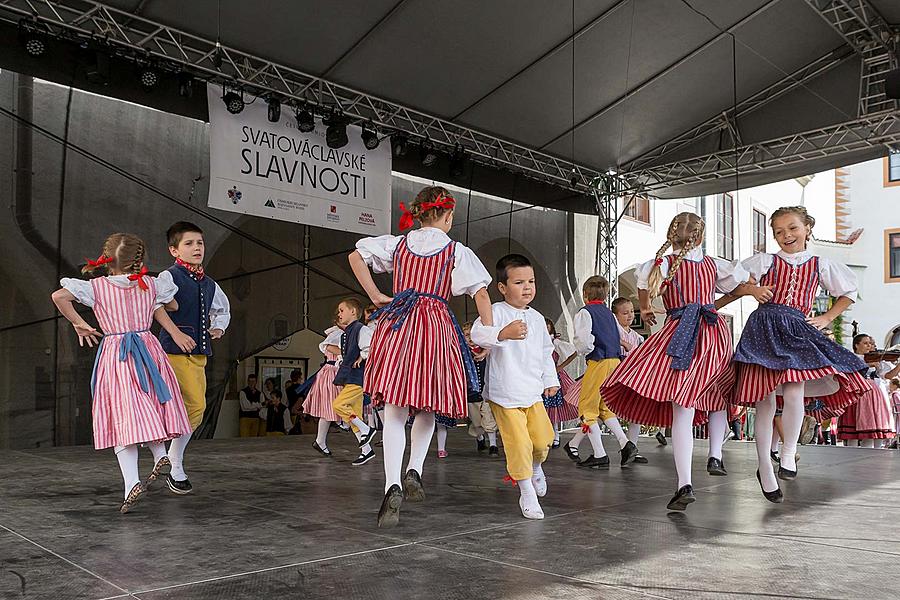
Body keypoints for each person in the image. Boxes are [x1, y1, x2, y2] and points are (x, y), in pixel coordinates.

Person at [349, 185, 493, 528]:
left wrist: (376, 294)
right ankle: (415, 467)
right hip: (435, 327)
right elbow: (482, 294)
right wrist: (486, 336)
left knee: (395, 409)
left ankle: (392, 484)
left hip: (398, 325)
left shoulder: (398, 244)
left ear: (419, 214)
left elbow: (355, 255)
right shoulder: (456, 250)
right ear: (448, 216)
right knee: (428, 404)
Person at [602, 212, 750, 511]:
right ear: (701, 237)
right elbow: (740, 284)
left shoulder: (661, 264)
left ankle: (684, 483)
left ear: (673, 235)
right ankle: (715, 454)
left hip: (679, 332)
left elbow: (643, 285)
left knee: (682, 404)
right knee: (718, 394)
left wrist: (644, 309)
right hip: (712, 331)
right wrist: (714, 304)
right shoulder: (712, 264)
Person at [725, 206, 868, 502]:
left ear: (807, 228)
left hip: (797, 330)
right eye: (778, 231)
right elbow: (731, 281)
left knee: (793, 393)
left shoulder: (820, 264)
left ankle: (788, 450)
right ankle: (765, 465)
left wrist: (827, 317)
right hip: (763, 329)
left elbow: (848, 293)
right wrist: (753, 290)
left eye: (792, 228)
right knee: (764, 403)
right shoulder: (765, 261)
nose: (785, 235)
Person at [52, 233, 193, 512]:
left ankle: (131, 483)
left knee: (123, 415)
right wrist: (153, 299)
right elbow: (173, 304)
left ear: (107, 260)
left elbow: (59, 296)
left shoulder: (97, 287)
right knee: (151, 403)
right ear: (138, 260)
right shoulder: (151, 285)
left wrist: (80, 323)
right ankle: (160, 454)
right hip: (148, 349)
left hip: (118, 354)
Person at [472, 254, 558, 520]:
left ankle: (535, 467)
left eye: (531, 281)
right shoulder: (496, 312)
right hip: (504, 392)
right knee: (518, 443)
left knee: (543, 440)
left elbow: (546, 352)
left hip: (532, 392)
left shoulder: (538, 318)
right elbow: (476, 333)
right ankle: (526, 491)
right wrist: (502, 333)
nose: (528, 287)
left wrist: (550, 380)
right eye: (519, 282)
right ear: (502, 287)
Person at [156, 221, 231, 495]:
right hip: (173, 353)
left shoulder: (209, 283)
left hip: (198, 354)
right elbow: (155, 305)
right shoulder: (168, 277)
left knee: (194, 412)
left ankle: (169, 456)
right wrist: (175, 333)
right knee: (195, 406)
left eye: (199, 243)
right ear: (174, 250)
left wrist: (218, 327)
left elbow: (221, 309)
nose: (197, 247)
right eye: (189, 243)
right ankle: (172, 460)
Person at [566, 276, 638, 470]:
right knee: (604, 408)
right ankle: (625, 443)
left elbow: (583, 341)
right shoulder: (609, 314)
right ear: (605, 294)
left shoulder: (585, 312)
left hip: (599, 361)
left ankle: (600, 454)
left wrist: (586, 351)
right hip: (615, 361)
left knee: (587, 408)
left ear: (585, 294)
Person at [330, 297, 377, 466]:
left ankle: (367, 429)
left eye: (342, 310)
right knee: (354, 416)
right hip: (351, 377)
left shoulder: (360, 329)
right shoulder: (349, 331)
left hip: (358, 378)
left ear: (353, 312)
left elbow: (370, 347)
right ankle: (366, 451)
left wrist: (362, 356)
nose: (339, 314)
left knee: (338, 405)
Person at [837, 334, 898, 447]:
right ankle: (852, 454)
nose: (869, 346)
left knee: (873, 427)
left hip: (873, 393)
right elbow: (847, 370)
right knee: (853, 428)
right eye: (865, 343)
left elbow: (888, 375)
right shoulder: (851, 357)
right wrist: (867, 364)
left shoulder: (875, 358)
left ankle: (874, 454)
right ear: (856, 345)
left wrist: (899, 365)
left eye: (870, 343)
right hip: (856, 391)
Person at [299, 322, 344, 456]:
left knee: (328, 407)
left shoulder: (339, 333)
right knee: (334, 403)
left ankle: (321, 440)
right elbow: (328, 347)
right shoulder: (337, 333)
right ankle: (343, 422)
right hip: (332, 372)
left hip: (333, 372)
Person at [543, 318, 579, 448]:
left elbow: (574, 353)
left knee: (554, 407)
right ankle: (545, 435)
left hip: (554, 377)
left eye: (547, 327)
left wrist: (560, 367)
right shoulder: (535, 342)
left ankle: (556, 434)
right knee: (542, 408)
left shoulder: (555, 342)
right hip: (539, 377)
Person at [463, 321, 497, 455]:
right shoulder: (463, 353)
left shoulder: (488, 350)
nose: (470, 338)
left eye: (473, 335)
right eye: (467, 335)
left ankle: (493, 444)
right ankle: (480, 438)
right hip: (471, 393)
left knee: (489, 418)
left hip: (487, 390)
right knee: (476, 421)